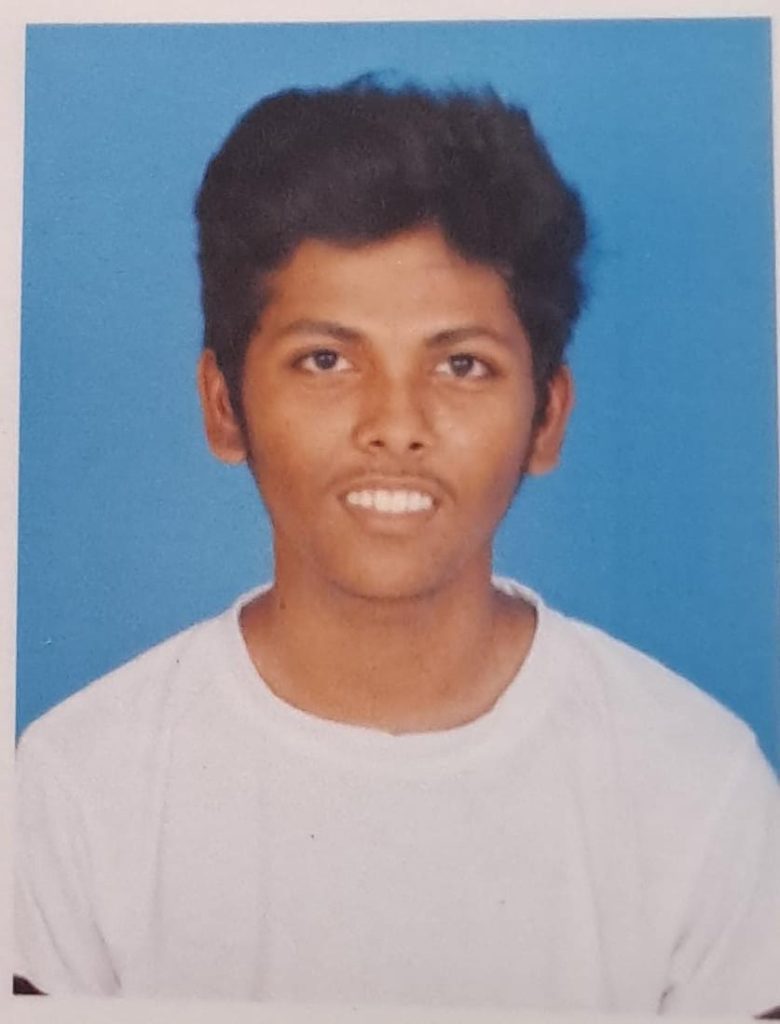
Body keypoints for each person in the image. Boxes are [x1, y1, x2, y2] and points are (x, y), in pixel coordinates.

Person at [14, 78, 780, 1013]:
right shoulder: (75, 790)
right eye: (326, 360)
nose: (396, 425)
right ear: (223, 406)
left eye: (462, 364)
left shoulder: (698, 789)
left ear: (546, 418)